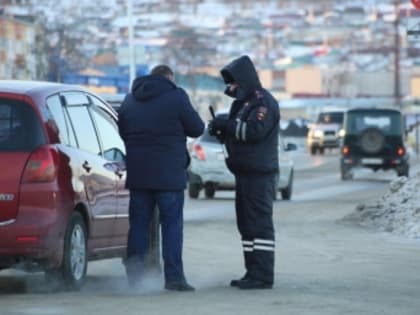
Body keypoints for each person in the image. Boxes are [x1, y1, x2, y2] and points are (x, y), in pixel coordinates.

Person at [118, 64, 204, 291]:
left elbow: (122, 131)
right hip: (169, 175)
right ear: (169, 79)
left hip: (139, 174)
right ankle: (174, 278)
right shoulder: (176, 97)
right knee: (172, 226)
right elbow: (196, 128)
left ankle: (135, 278)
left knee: (138, 226)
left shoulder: (129, 100)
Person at [208, 55, 279, 289]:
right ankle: (252, 271)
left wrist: (227, 127)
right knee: (247, 226)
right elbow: (237, 130)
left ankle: (263, 275)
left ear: (243, 80)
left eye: (233, 83)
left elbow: (254, 131)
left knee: (259, 225)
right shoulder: (244, 103)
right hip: (245, 174)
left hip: (260, 174)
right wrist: (223, 132)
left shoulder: (262, 102)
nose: (231, 88)